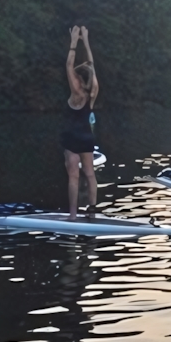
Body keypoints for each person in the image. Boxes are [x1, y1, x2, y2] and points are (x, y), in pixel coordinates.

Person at [62, 26, 99, 220]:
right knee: (90, 174)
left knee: (74, 177)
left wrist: (74, 41)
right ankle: (92, 212)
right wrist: (87, 39)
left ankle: (73, 215)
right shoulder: (93, 91)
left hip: (71, 138)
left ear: (78, 77)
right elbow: (91, 67)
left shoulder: (76, 92)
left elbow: (69, 64)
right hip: (86, 137)